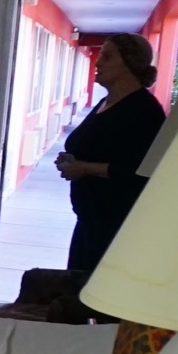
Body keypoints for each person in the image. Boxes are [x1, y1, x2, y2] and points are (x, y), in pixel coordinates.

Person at [55, 32, 166, 282]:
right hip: (89, 222)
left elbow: (141, 171)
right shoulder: (107, 102)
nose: (98, 62)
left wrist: (85, 167)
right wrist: (72, 160)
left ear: (129, 63)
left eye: (107, 56)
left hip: (115, 229)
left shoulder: (144, 111)